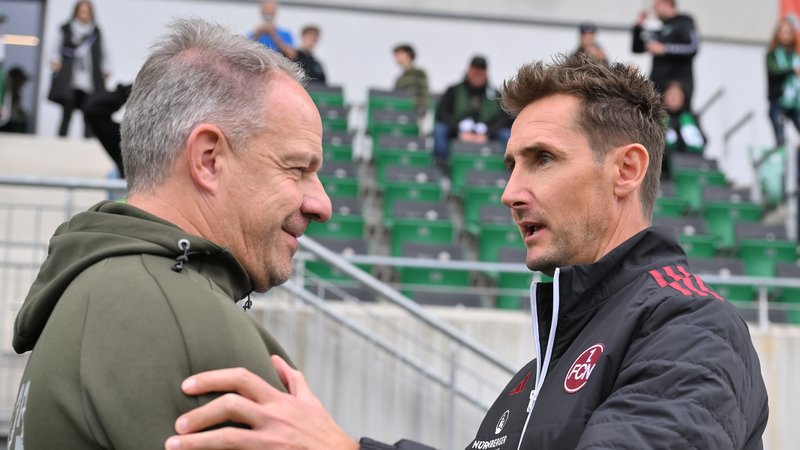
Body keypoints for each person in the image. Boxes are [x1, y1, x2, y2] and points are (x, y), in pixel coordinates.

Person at [164, 54, 769, 450]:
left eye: (542, 159)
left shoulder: (691, 327)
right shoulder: (536, 373)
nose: (510, 192)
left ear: (626, 170)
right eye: (511, 165)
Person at [7, 17, 333, 449]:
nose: (322, 205)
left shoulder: (99, 282)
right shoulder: (188, 327)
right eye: (297, 169)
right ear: (209, 158)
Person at [433, 55, 511, 171]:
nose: (478, 74)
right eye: (475, 70)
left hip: (487, 133)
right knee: (440, 130)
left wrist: (487, 132)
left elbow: (504, 117)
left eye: (481, 71)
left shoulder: (495, 94)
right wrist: (459, 130)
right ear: (468, 70)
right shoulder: (453, 90)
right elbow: (443, 113)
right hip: (457, 131)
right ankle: (441, 166)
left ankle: (508, 167)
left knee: (506, 134)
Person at [48, 0, 109, 137]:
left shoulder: (96, 32)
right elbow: (55, 48)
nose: (85, 14)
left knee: (89, 111)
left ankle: (87, 144)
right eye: (82, 11)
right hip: (70, 78)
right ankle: (61, 141)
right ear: (76, 12)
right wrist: (55, 60)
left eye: (87, 11)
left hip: (89, 80)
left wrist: (106, 68)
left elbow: (105, 52)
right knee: (67, 111)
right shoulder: (65, 29)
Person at [632, 0, 698, 106]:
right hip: (657, 89)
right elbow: (637, 48)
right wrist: (638, 27)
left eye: (656, 6)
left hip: (677, 90)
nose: (654, 10)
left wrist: (666, 49)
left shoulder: (684, 22)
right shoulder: (661, 31)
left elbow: (692, 47)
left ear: (666, 3)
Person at [766, 17, 800, 148]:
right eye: (783, 32)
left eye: (789, 33)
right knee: (781, 140)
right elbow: (774, 71)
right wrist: (791, 70)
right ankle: (781, 166)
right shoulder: (772, 54)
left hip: (795, 102)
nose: (786, 36)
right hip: (778, 101)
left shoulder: (796, 55)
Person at [662, 80, 706, 178]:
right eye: (671, 95)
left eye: (677, 95)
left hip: (690, 168)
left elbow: (703, 142)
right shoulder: (657, 118)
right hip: (664, 172)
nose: (674, 98)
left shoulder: (691, 118)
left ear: (683, 99)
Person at [393, 43, 430, 117]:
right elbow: (395, 97)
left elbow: (425, 94)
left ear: (408, 54)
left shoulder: (419, 73)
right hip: (401, 113)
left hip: (416, 113)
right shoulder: (399, 79)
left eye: (400, 53)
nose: (397, 57)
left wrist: (422, 111)